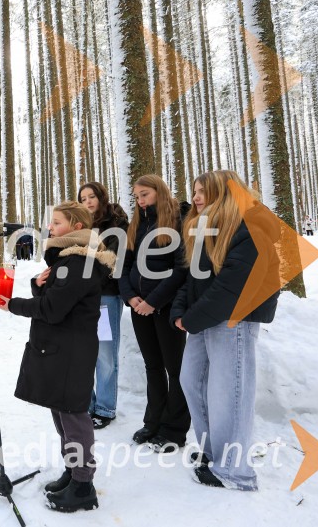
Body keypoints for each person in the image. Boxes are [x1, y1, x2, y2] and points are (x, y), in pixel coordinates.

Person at [0, 201, 116, 513]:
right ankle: (73, 471)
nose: (50, 228)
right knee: (62, 413)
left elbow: (52, 309)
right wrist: (38, 285)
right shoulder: (69, 261)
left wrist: (12, 304)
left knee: (74, 416)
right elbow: (55, 299)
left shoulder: (78, 263)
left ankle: (83, 485)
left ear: (76, 228)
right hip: (61, 348)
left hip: (71, 351)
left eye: (57, 223)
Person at [172, 170, 279, 490]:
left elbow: (233, 285)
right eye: (194, 191)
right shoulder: (206, 229)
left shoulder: (250, 226)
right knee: (192, 381)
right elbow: (192, 281)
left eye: (203, 190)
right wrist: (180, 311)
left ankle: (235, 472)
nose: (195, 197)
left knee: (228, 395)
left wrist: (191, 318)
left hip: (234, 321)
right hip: (205, 320)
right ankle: (213, 453)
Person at [118, 174, 190, 452]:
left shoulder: (176, 221)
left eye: (145, 194)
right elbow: (124, 267)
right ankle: (153, 421)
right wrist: (131, 297)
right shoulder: (136, 225)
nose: (140, 200)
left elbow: (181, 269)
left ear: (159, 192)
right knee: (152, 366)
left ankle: (174, 430)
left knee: (176, 369)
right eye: (136, 196)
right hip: (139, 307)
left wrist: (154, 301)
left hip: (166, 307)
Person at [78, 181, 130, 430]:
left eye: (91, 196)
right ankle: (86, 404)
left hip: (106, 296)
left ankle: (106, 408)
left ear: (101, 197)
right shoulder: (80, 225)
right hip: (81, 298)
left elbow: (111, 262)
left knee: (105, 353)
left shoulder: (116, 223)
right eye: (83, 198)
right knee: (83, 351)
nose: (87, 201)